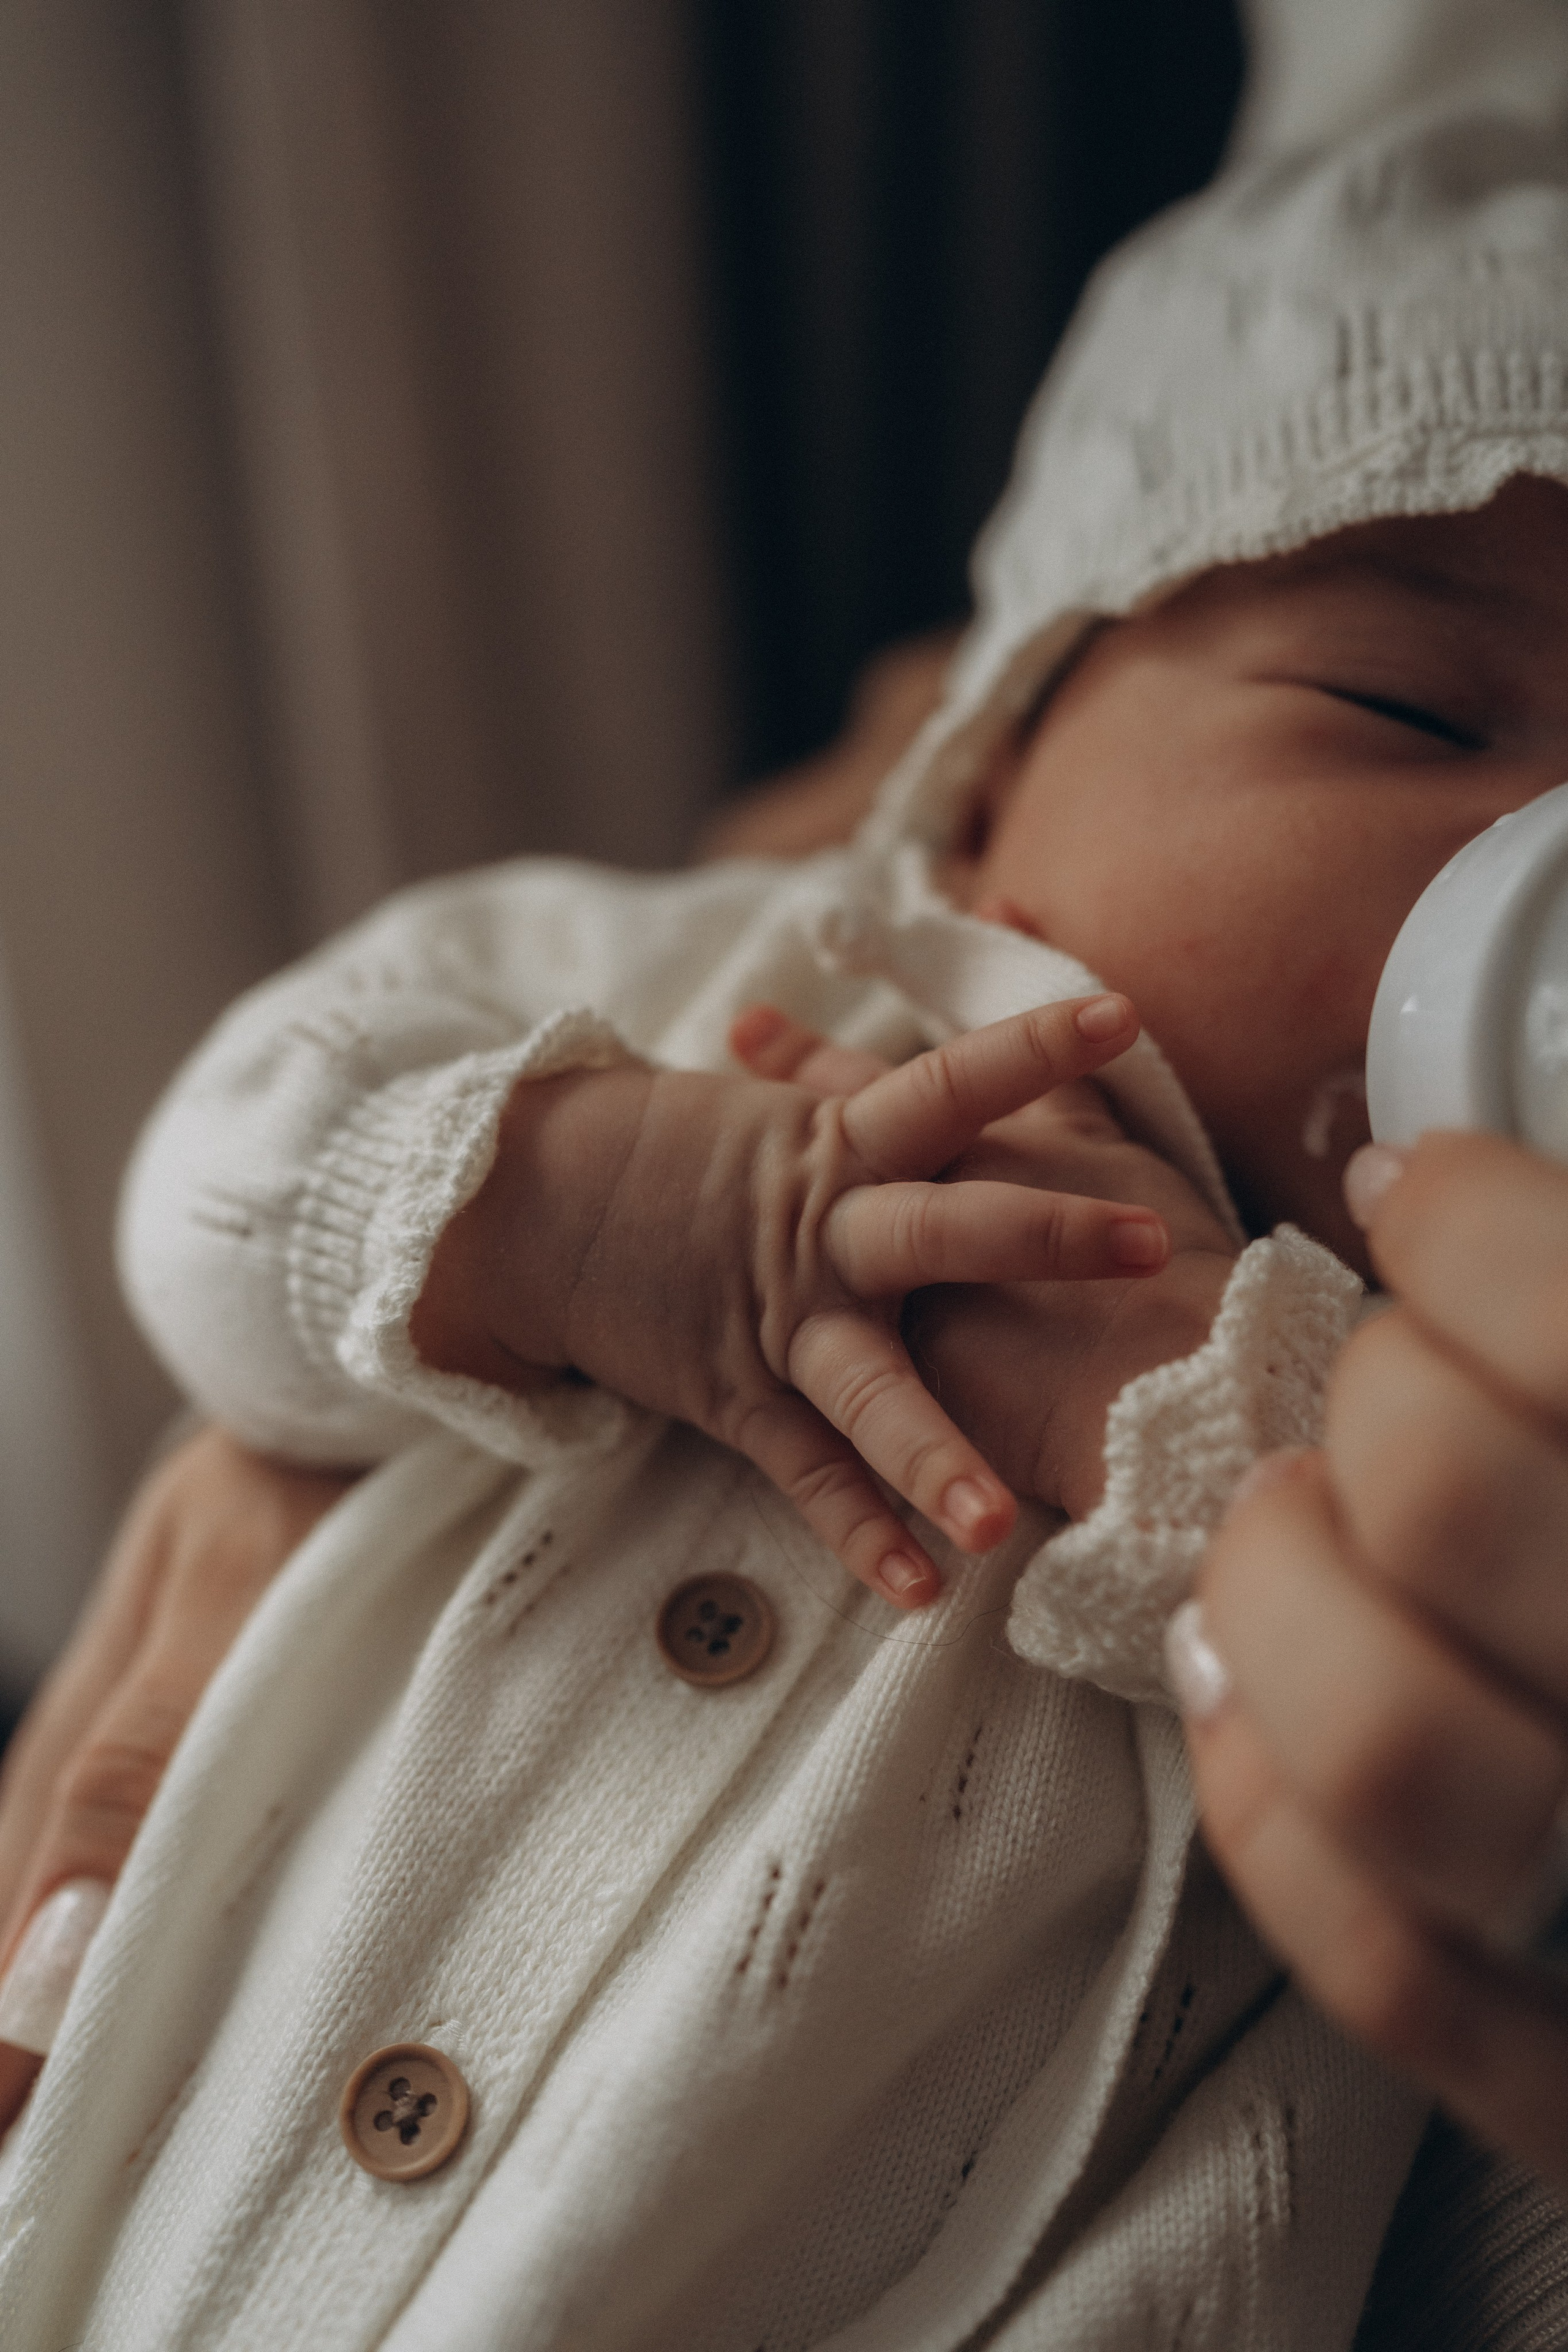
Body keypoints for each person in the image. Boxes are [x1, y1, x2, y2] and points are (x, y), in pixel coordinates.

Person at [6, 5, 1568, 2347]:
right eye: (1412, 714)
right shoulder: (700, 993)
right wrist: (596, 1213)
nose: (1530, 874)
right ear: (983, 767)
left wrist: (1206, 1428)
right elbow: (224, 1171)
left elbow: (1427, 1818)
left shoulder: (1490, 1464)